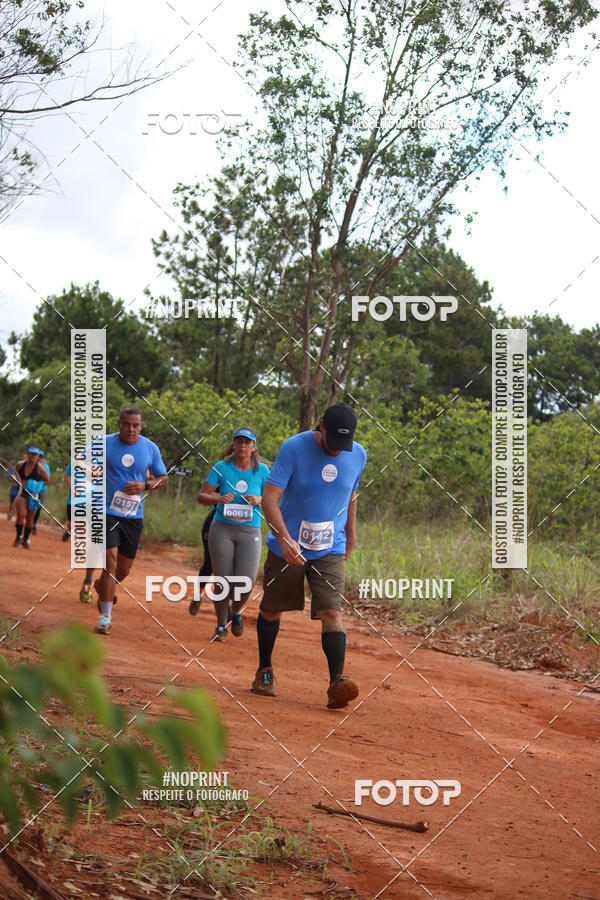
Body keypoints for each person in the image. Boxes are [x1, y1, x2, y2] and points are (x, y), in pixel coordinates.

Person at [252, 403, 366, 710]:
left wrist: (351, 533)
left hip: (330, 546)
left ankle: (336, 683)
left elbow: (350, 495)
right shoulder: (294, 448)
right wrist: (284, 538)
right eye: (332, 442)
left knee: (332, 611)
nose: (337, 451)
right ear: (320, 426)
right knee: (273, 609)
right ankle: (265, 670)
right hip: (287, 546)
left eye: (344, 445)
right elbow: (269, 499)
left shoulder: (358, 454)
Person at [94, 406, 168, 636]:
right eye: (127, 424)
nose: (131, 429)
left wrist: (144, 485)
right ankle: (105, 617)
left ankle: (102, 587)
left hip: (133, 515)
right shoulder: (103, 443)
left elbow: (163, 479)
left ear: (141, 426)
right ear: (119, 424)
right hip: (105, 511)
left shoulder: (149, 448)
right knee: (111, 560)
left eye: (136, 425)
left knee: (123, 569)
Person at [195, 427, 269, 642]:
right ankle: (220, 625)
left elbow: (273, 497)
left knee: (246, 582)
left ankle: (235, 611)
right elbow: (201, 495)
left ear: (254, 447)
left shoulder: (262, 471)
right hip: (222, 529)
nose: (243, 446)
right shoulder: (221, 467)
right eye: (240, 441)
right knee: (222, 581)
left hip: (250, 531)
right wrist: (217, 498)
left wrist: (259, 500)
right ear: (234, 444)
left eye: (248, 442)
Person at [63, 459, 96, 602]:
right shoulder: (76, 461)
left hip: (93, 502)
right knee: (75, 524)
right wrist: (72, 488)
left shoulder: (100, 462)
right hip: (75, 501)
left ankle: (92, 583)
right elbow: (67, 474)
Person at [11, 447, 50, 549]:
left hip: (33, 495)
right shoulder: (20, 464)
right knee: (21, 514)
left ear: (37, 456)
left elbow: (47, 480)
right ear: (28, 454)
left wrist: (36, 485)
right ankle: (18, 536)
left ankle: (26, 539)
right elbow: (14, 475)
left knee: (30, 518)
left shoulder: (40, 468)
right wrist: (15, 481)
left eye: (35, 455)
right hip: (21, 493)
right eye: (31, 454)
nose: (33, 456)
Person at [188, 506, 215, 616]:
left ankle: (232, 606)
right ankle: (197, 597)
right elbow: (206, 494)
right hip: (214, 523)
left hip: (242, 529)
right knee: (209, 564)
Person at [32, 450, 50, 534]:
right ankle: (30, 523)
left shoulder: (46, 467)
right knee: (32, 506)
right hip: (33, 489)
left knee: (39, 507)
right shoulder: (33, 465)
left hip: (42, 490)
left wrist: (39, 485)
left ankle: (34, 524)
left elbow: (47, 480)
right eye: (39, 456)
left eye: (41, 457)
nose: (40, 458)